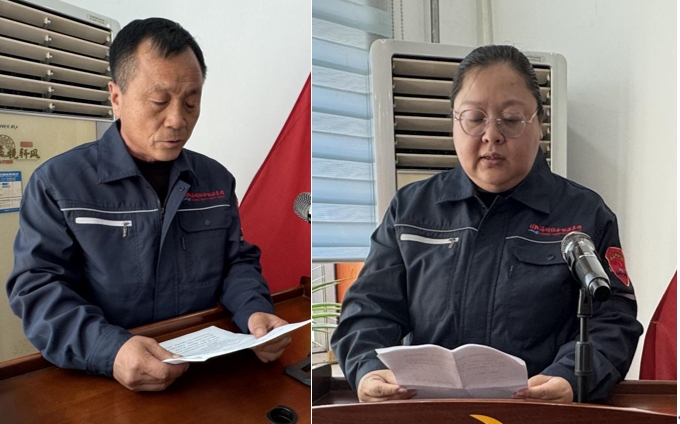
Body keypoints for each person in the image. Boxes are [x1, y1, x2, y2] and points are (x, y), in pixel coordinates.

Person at [330, 45, 642, 403]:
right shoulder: (412, 209)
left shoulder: (584, 214)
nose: (492, 134)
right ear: (454, 122)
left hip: (539, 412)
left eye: (511, 119)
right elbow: (369, 309)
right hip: (429, 410)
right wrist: (368, 368)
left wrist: (570, 378)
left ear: (539, 123)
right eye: (475, 118)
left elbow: (612, 321)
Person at [6, 18, 291, 392]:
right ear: (116, 96)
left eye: (191, 102)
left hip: (205, 372)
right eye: (159, 101)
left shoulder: (215, 180)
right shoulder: (58, 183)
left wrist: (254, 310)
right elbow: (38, 288)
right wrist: (110, 350)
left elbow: (235, 262)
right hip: (104, 376)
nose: (177, 120)